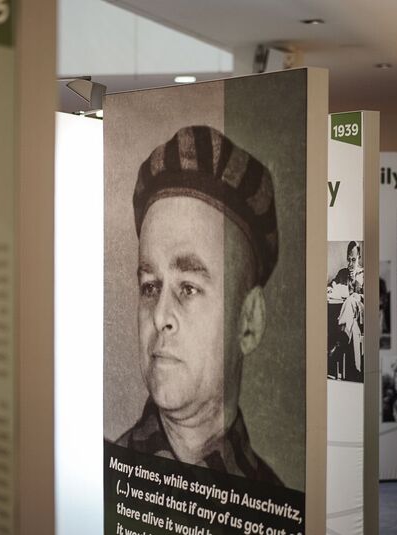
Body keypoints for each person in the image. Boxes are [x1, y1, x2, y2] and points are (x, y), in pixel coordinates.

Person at [115, 125, 282, 484]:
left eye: (188, 287)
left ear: (249, 321)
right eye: (149, 286)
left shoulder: (271, 502)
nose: (160, 316)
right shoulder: (107, 478)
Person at [327, 241, 364, 381]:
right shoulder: (342, 273)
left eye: (353, 260)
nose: (350, 263)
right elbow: (332, 287)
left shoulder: (364, 274)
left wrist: (357, 293)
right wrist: (331, 289)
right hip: (349, 319)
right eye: (348, 259)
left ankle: (338, 344)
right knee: (352, 328)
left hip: (361, 313)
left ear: (359, 257)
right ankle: (354, 373)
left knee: (351, 301)